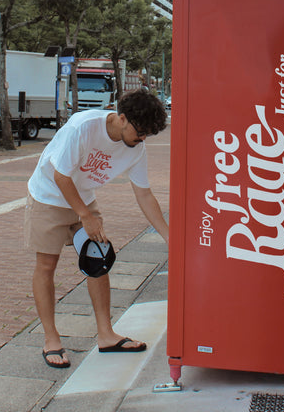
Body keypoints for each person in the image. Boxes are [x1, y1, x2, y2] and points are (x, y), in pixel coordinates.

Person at [25, 89, 169, 368]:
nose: (143, 139)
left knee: (98, 261)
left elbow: (144, 194)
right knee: (46, 266)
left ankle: (106, 335)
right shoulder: (83, 127)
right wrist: (85, 215)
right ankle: (51, 339)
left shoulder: (137, 148)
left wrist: (168, 235)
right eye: (141, 132)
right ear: (123, 118)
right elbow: (61, 176)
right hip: (48, 196)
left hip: (83, 199)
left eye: (149, 134)